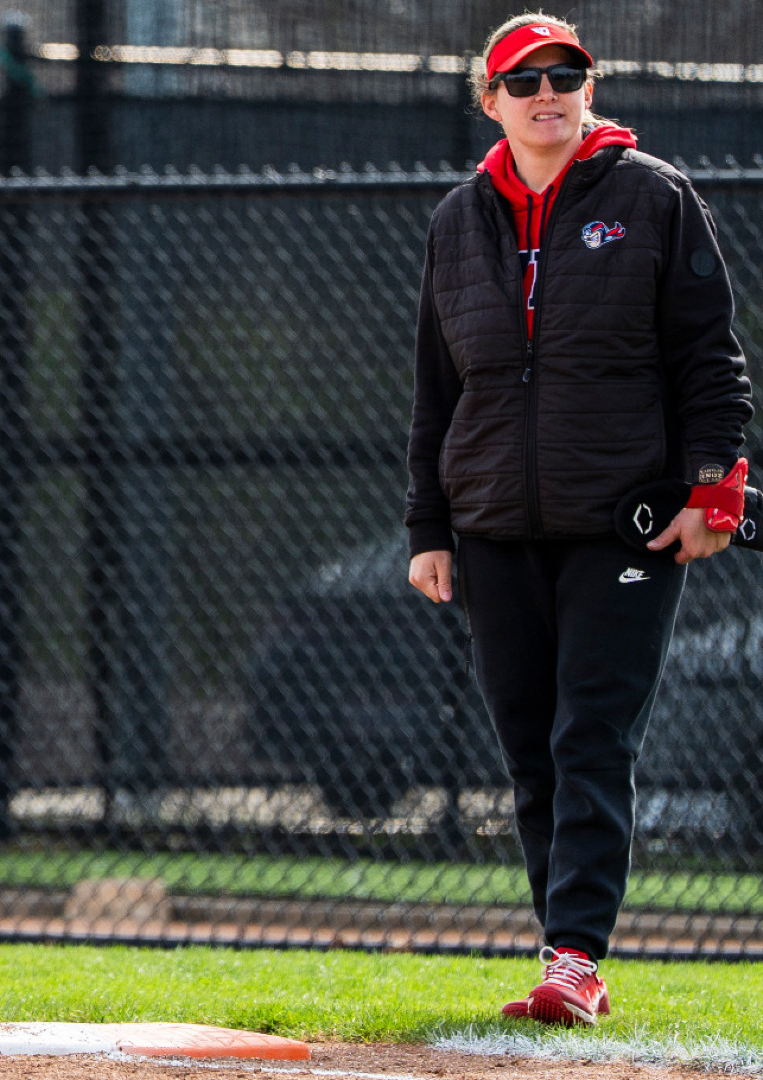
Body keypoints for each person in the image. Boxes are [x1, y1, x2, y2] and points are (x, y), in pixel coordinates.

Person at [405, 14, 751, 1027]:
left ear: (587, 90)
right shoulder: (454, 219)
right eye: (522, 80)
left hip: (624, 525)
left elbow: (710, 362)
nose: (545, 92)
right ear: (490, 100)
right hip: (490, 527)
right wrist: (428, 525)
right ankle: (559, 945)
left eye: (564, 75)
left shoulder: (654, 198)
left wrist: (711, 494)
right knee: (527, 746)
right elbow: (435, 389)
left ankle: (572, 959)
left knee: (589, 734)